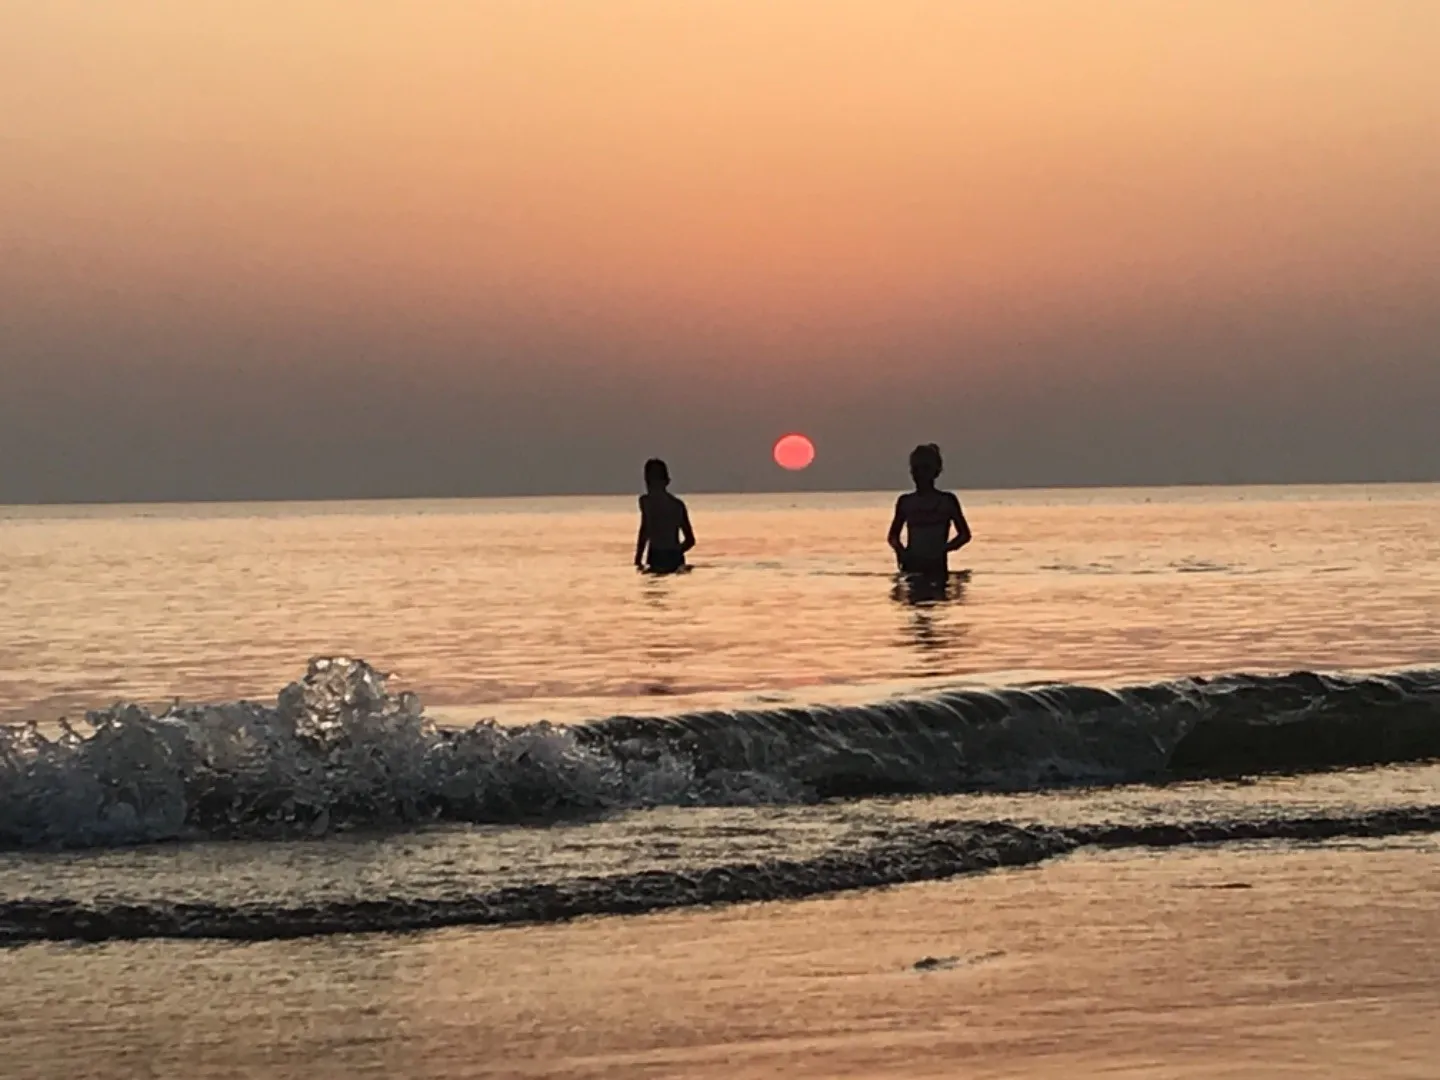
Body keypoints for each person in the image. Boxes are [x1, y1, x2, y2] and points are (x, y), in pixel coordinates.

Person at [887, 443, 971, 577]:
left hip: (937, 568)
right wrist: (900, 551)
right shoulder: (906, 502)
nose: (920, 474)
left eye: (925, 469)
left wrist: (943, 549)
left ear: (936, 471)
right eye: (916, 469)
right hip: (912, 567)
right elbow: (893, 536)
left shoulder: (947, 501)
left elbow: (964, 535)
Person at [635, 458, 695, 573]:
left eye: (652, 481)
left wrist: (638, 560)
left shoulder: (647, 502)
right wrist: (675, 552)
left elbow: (644, 531)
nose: (649, 485)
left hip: (660, 557)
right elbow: (690, 541)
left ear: (665, 481)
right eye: (648, 481)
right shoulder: (677, 505)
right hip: (669, 557)